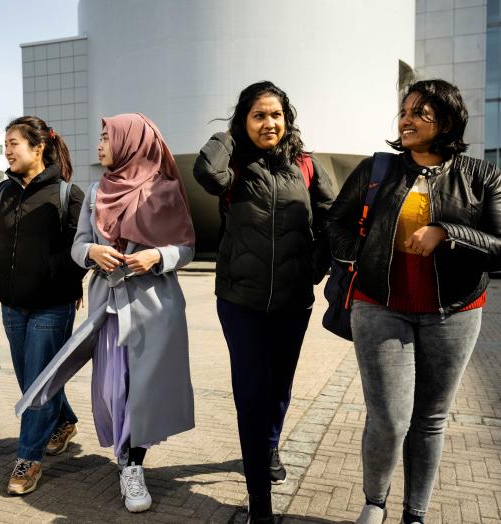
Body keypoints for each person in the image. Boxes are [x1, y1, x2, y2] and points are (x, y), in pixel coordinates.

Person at [326, 79, 501, 524]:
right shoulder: (379, 170)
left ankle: (415, 513)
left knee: (430, 419)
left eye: (419, 113)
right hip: (379, 304)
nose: (406, 120)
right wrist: (363, 255)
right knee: (389, 419)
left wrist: (448, 233)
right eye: (404, 111)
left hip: (454, 312)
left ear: (446, 122)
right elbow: (335, 221)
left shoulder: (481, 176)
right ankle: (374, 503)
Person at [16, 112, 196, 513]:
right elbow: (78, 246)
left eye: (106, 137)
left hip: (153, 310)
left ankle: (132, 467)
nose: (100, 144)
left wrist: (157, 255)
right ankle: (125, 456)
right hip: (109, 310)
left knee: (142, 394)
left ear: (131, 142)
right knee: (113, 392)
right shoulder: (97, 192)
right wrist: (92, 252)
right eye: (100, 136)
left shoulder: (165, 190)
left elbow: (187, 248)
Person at [193, 81, 335, 523]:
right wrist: (229, 136)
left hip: (293, 301)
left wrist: (314, 267)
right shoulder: (233, 164)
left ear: (287, 118)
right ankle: (260, 502)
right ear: (244, 121)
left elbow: (333, 221)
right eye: (258, 115)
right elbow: (205, 173)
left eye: (276, 114)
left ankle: (269, 445)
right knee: (251, 394)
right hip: (241, 302)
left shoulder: (307, 166)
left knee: (279, 389)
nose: (269, 123)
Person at [0, 116, 87, 496]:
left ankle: (28, 457)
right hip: (11, 304)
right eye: (6, 144)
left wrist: (54, 276)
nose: (8, 150)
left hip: (51, 305)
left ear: (38, 147)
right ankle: (65, 421)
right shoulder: (0, 193)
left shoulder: (67, 194)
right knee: (31, 379)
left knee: (39, 383)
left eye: (14, 143)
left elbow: (80, 251)